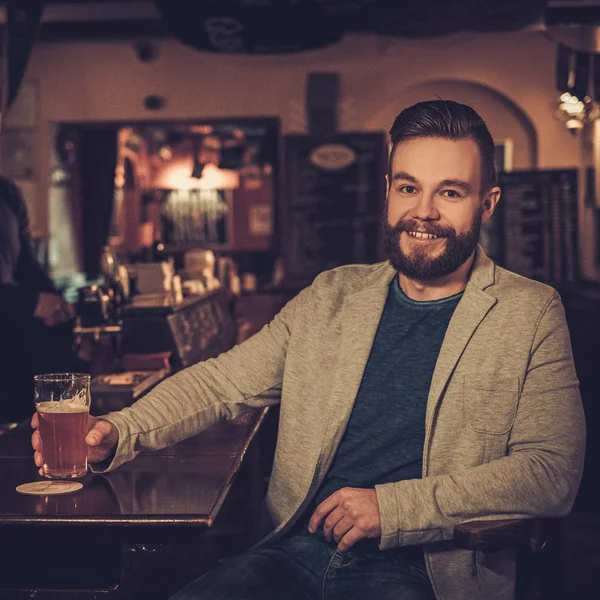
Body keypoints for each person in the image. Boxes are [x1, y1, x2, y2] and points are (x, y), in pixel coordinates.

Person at [32, 100, 585, 600]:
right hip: (290, 554)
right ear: (388, 191)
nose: (424, 212)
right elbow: (219, 384)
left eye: (451, 192)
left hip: (424, 571)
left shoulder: (529, 312)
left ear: (486, 204)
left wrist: (392, 509)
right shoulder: (332, 296)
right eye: (408, 187)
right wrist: (118, 431)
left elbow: (551, 472)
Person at [0, 176, 79, 423]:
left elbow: (26, 265)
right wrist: (31, 302)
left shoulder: (7, 192)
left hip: (13, 343)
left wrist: (58, 304)